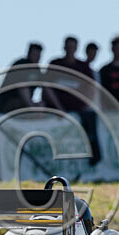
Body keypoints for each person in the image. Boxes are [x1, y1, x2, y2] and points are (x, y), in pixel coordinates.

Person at [46, 36, 100, 165]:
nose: (70, 50)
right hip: (57, 109)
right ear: (64, 47)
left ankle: (94, 157)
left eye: (73, 47)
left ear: (76, 48)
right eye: (68, 47)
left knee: (90, 123)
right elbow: (46, 87)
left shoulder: (83, 67)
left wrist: (86, 104)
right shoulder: (55, 64)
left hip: (79, 109)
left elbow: (91, 88)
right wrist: (59, 108)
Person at [0, 42, 44, 115]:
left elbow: (46, 86)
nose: (37, 58)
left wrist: (41, 105)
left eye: (39, 55)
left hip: (23, 104)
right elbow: (22, 87)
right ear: (29, 53)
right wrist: (32, 107)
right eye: (35, 54)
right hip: (6, 104)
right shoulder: (21, 64)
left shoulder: (37, 70)